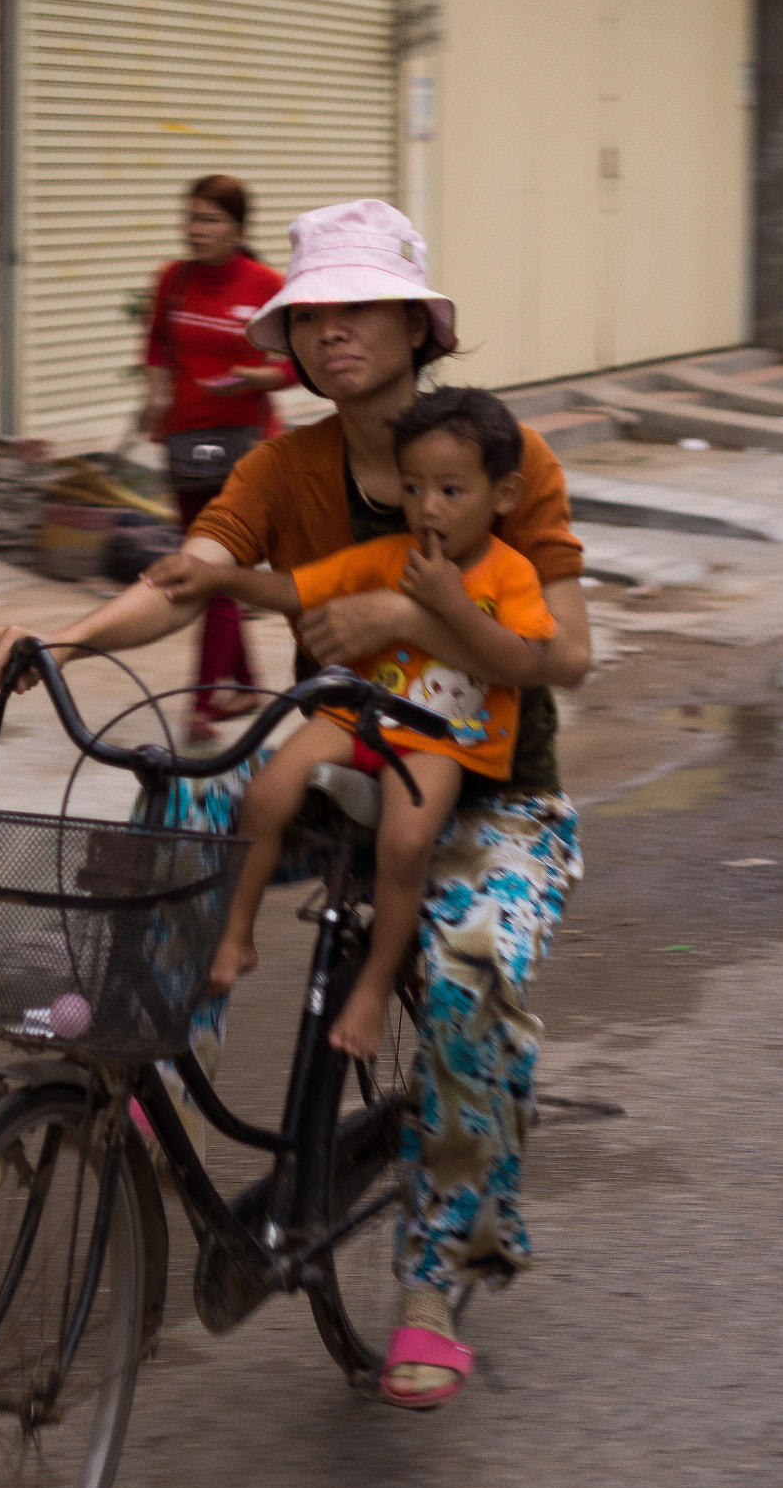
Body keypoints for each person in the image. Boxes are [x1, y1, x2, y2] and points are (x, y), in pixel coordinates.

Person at [0, 197, 588, 1413]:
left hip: (483, 786)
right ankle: (128, 1081)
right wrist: (69, 634)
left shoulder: (504, 460)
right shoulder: (283, 466)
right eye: (311, 313)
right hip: (331, 765)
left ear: (421, 324)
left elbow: (564, 650)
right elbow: (185, 577)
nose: (333, 330)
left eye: (360, 306)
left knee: (470, 971)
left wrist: (414, 617)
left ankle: (433, 1276)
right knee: (170, 826)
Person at [147, 387, 555, 1071]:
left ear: (503, 494)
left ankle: (369, 992)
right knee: (267, 791)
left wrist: (450, 607)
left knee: (404, 843)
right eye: (414, 487)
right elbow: (299, 587)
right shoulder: (389, 554)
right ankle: (236, 936)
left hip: (442, 736)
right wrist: (217, 577)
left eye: (451, 490)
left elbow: (520, 660)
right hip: (358, 712)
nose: (428, 507)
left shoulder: (509, 573)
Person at [140, 175, 292, 742]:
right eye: (190, 217)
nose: (195, 230)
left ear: (237, 228)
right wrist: (153, 396)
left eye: (208, 219)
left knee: (212, 572)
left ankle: (202, 703)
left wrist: (258, 376)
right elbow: (158, 342)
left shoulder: (268, 285)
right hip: (185, 443)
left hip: (246, 447)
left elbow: (299, 363)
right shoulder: (173, 280)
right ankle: (248, 683)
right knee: (209, 567)